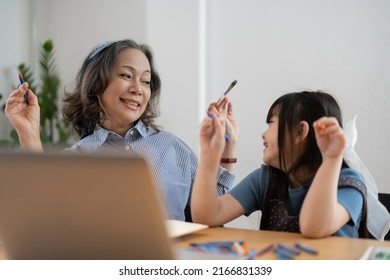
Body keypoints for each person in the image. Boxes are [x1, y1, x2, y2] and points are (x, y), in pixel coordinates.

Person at [5, 39, 238, 221]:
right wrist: (29, 132)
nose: (138, 89)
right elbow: (45, 217)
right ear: (97, 84)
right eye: (126, 76)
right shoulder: (75, 159)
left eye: (146, 81)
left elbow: (213, 213)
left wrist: (227, 149)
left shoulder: (174, 149)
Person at [191, 90, 369, 238]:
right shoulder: (266, 179)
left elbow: (313, 227)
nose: (263, 133)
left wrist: (331, 160)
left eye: (271, 124)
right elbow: (208, 215)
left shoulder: (349, 184)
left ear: (300, 132)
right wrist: (209, 154)